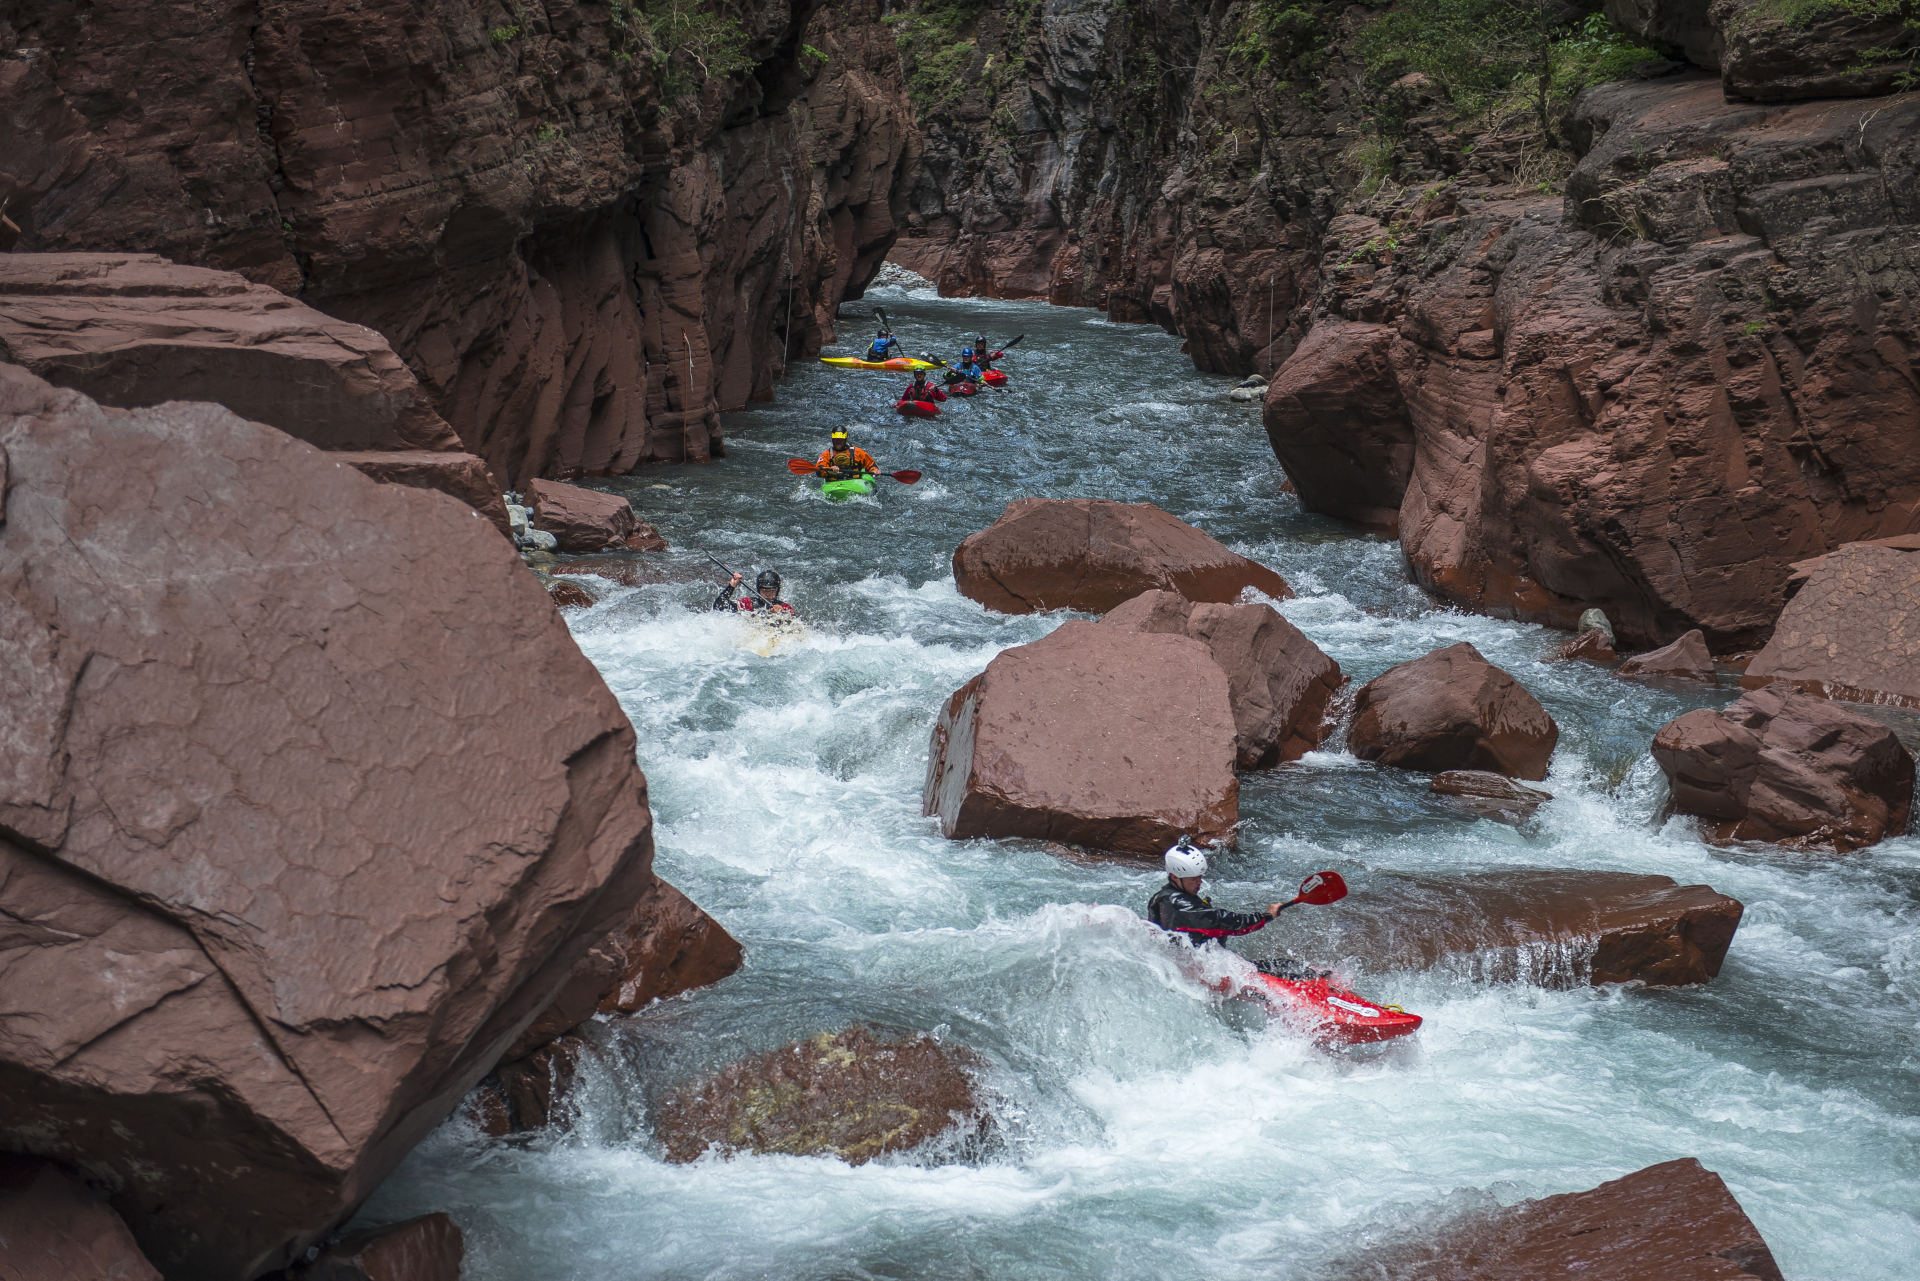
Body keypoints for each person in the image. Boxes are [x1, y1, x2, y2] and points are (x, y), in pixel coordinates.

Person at [1146, 838, 1288, 949]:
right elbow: (1223, 921)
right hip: (1202, 969)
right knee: (1290, 967)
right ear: (1174, 877)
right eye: (1193, 879)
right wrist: (1266, 916)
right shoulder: (1182, 906)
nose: (1199, 882)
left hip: (1195, 962)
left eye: (1200, 877)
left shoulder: (1160, 897)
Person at [713, 568, 794, 615]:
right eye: (765, 591)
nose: (768, 595)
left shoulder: (785, 607)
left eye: (772, 591)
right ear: (759, 590)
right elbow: (718, 606)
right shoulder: (747, 604)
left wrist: (782, 614)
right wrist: (731, 587)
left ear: (777, 591)